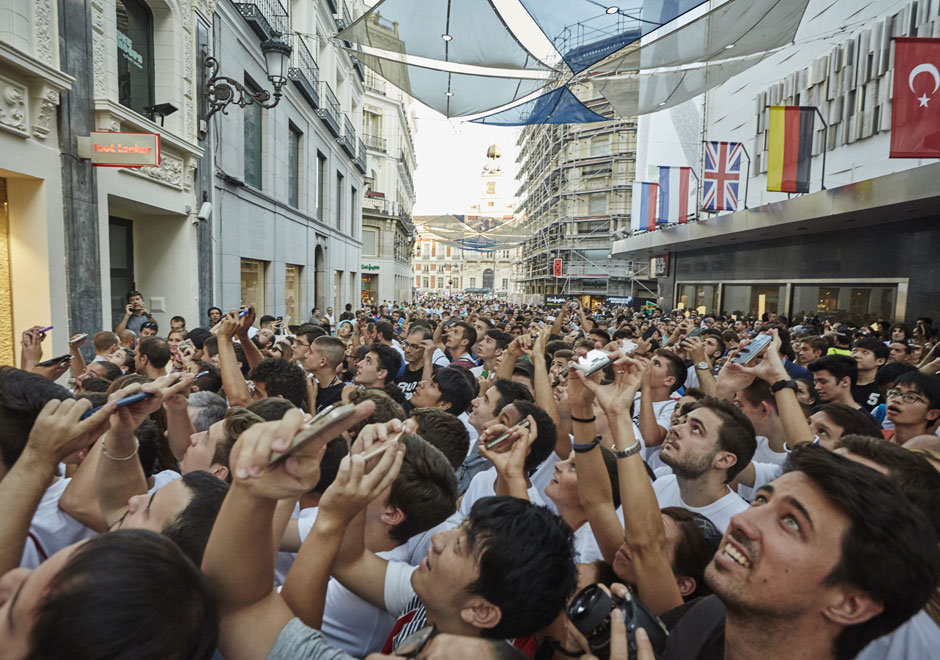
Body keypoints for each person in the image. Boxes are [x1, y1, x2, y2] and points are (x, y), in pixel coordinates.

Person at [659, 445, 940, 660]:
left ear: (851, 603)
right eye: (760, 500)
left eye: (791, 521)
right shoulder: (699, 620)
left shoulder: (922, 646)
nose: (741, 521)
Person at [850, 337, 888, 409]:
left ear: (880, 361)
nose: (856, 355)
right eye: (854, 351)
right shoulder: (842, 382)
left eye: (865, 352)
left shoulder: (883, 388)